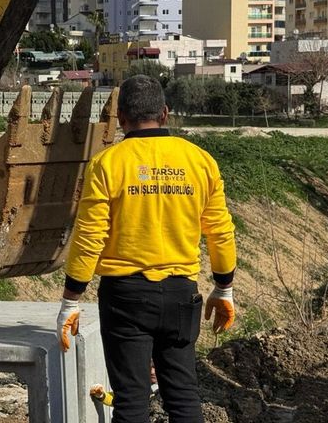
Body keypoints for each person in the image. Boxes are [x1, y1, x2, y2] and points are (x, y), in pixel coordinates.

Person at [57, 75, 237, 423]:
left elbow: (90, 235)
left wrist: (70, 301)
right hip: (182, 295)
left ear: (121, 118)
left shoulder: (108, 163)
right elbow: (220, 230)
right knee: (184, 399)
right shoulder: (200, 161)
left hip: (125, 298)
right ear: (165, 113)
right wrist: (224, 288)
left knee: (131, 402)